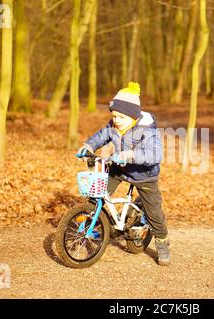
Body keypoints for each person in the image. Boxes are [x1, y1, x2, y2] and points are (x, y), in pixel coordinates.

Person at [77, 82, 171, 266]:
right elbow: (102, 135)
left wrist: (130, 155)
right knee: (97, 194)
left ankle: (162, 243)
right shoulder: (114, 125)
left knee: (154, 213)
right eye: (114, 115)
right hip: (120, 169)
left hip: (144, 175)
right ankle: (95, 223)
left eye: (121, 116)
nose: (116, 120)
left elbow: (155, 154)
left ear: (134, 117)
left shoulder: (147, 130)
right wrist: (88, 146)